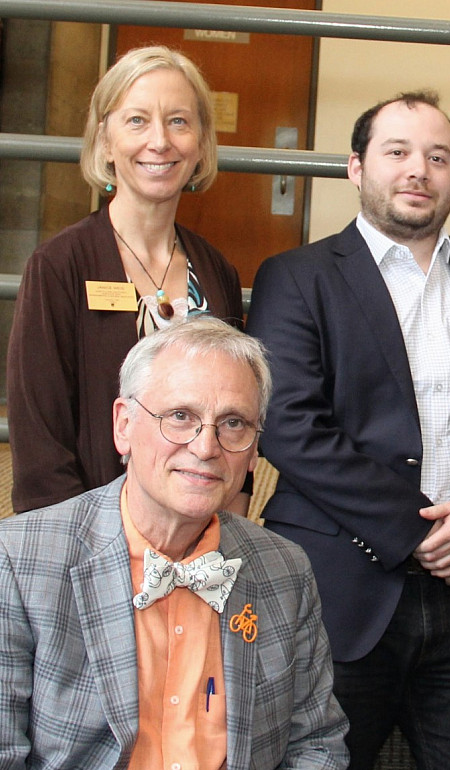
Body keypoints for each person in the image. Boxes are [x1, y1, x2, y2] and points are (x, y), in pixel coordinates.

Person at [246, 91, 450, 770]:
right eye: (398, 152)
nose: (420, 170)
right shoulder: (296, 277)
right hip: (338, 590)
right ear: (356, 167)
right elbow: (288, 425)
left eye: (438, 158)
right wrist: (419, 531)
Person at [0, 317, 348, 770]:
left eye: (233, 423)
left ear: (254, 449)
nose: (206, 446)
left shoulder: (285, 569)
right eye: (180, 416)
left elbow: (317, 744)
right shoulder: (18, 562)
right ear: (124, 425)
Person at [7, 45, 245, 515]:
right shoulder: (59, 266)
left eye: (178, 121)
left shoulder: (217, 271)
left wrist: (229, 517)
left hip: (199, 537)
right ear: (104, 140)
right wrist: (87, 549)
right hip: (91, 539)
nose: (160, 141)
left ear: (201, 143)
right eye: (137, 120)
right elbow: (40, 440)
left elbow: (236, 415)